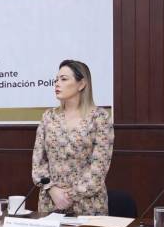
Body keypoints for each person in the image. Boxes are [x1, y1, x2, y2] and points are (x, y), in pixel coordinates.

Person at [31, 60, 114, 215]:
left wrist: (70, 195)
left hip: (88, 205)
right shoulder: (48, 117)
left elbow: (99, 168)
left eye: (63, 79)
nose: (57, 84)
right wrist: (52, 190)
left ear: (81, 84)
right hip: (51, 202)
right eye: (56, 80)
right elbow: (38, 162)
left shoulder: (100, 118)